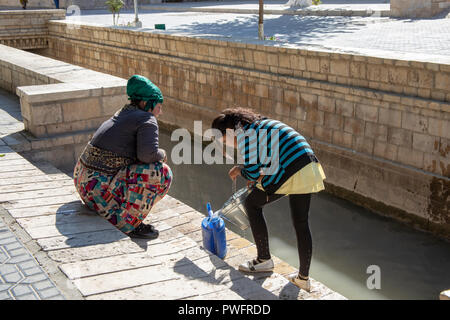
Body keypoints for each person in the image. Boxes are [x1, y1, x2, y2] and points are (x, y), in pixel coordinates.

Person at [211, 108, 326, 292]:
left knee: (251, 203)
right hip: (307, 164)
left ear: (229, 131)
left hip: (291, 168)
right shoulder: (256, 125)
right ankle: (303, 278)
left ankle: (263, 260)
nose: (231, 145)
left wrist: (239, 170)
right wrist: (254, 175)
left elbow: (254, 170)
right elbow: (265, 162)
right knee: (301, 223)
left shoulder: (243, 134)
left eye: (226, 141)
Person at [73, 75, 172, 239]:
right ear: (145, 103)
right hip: (98, 193)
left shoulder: (123, 113)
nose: (160, 112)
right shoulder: (147, 119)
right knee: (161, 172)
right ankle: (128, 224)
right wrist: (162, 153)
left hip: (84, 188)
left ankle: (119, 212)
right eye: (158, 106)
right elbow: (148, 155)